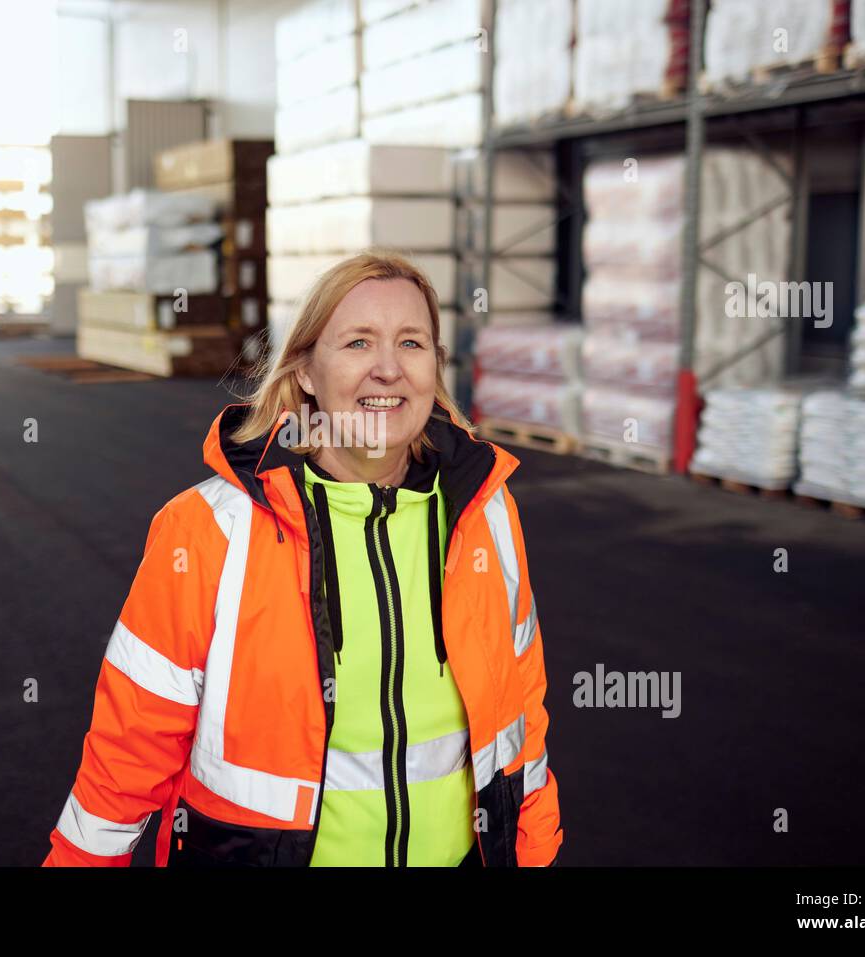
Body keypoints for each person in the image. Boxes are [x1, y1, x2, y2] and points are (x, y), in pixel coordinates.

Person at [43, 250, 563, 867]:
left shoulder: (486, 515)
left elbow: (522, 712)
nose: (388, 369)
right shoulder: (209, 528)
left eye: (412, 343)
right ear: (308, 372)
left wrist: (535, 856)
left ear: (437, 366)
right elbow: (130, 741)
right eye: (358, 343)